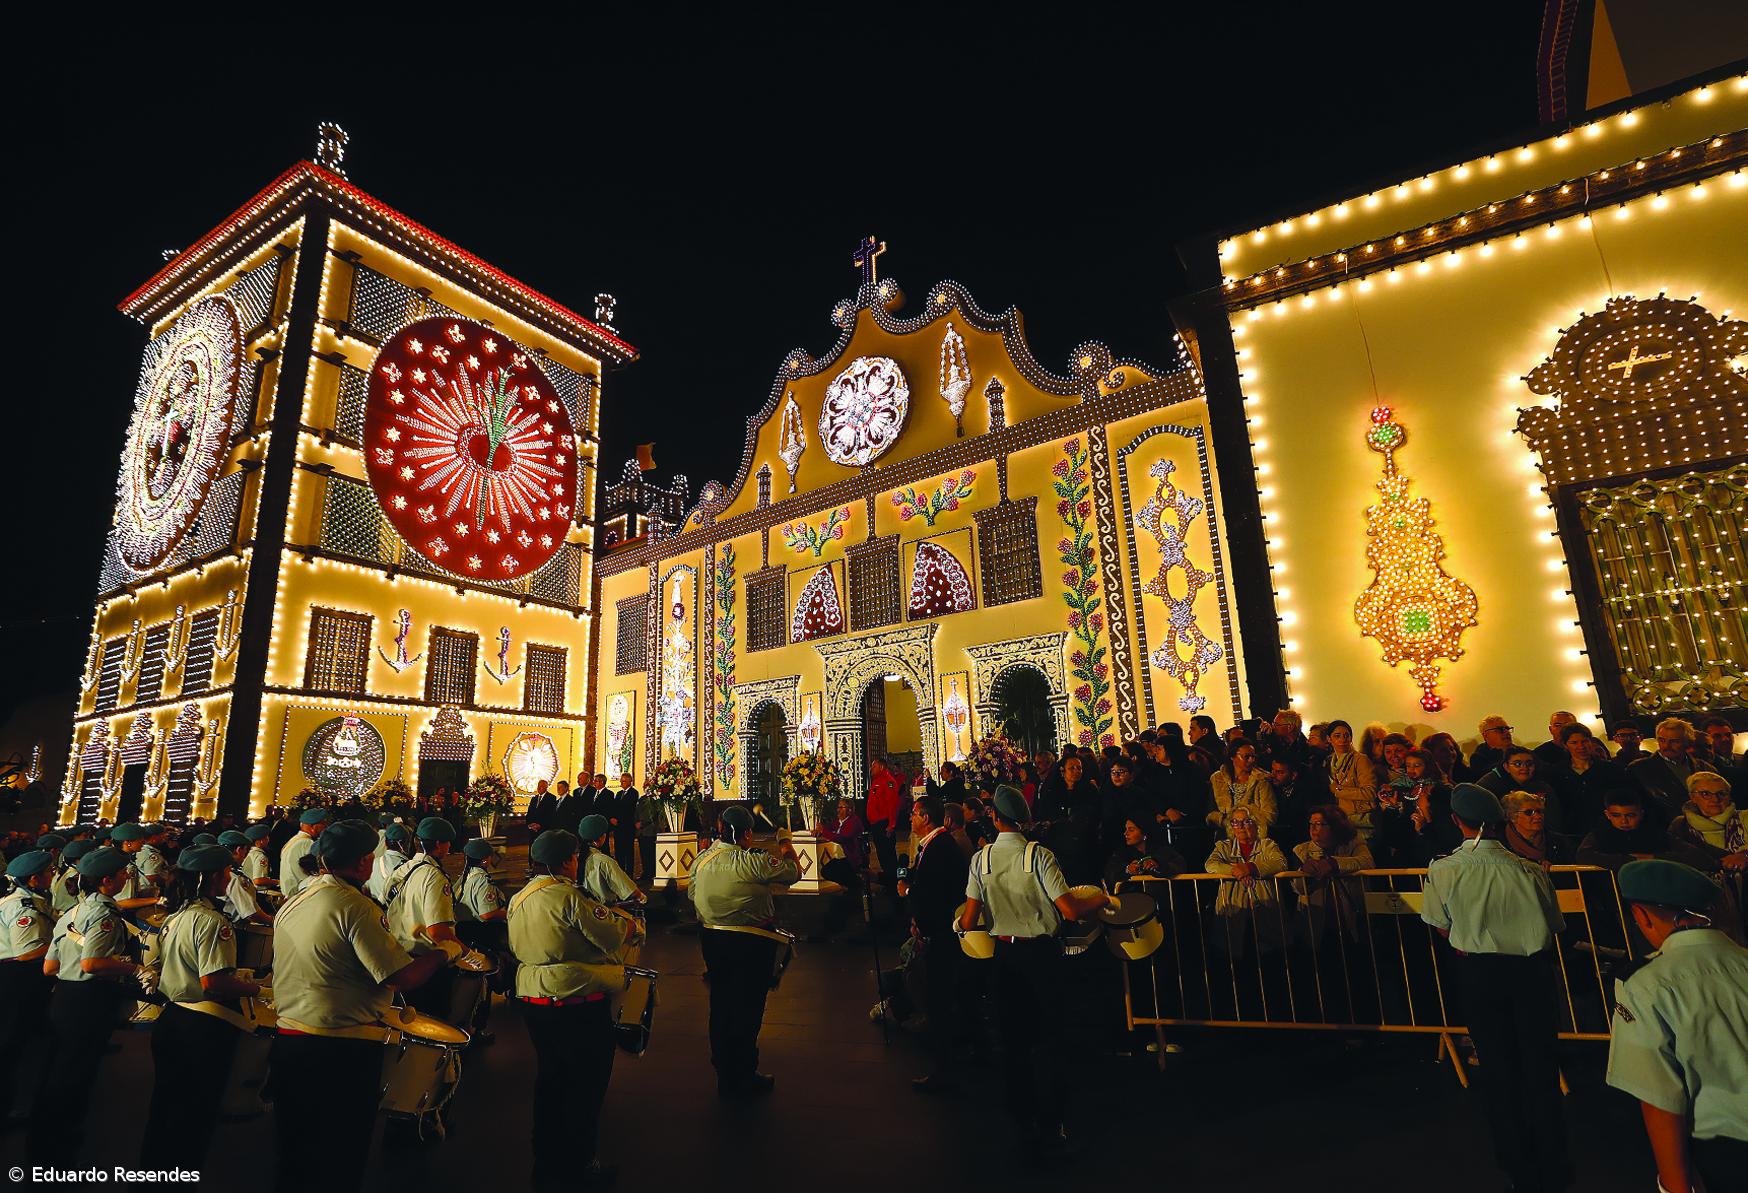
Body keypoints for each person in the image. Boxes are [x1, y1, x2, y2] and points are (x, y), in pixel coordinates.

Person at [269, 819, 450, 1193]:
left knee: (295, 1151)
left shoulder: (295, 901)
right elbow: (399, 977)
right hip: (339, 1049)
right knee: (339, 1154)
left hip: (289, 1041)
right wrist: (442, 954)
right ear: (364, 861)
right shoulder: (355, 907)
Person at [1420, 785, 1569, 1193]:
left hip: (1480, 971)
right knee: (1540, 1063)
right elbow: (1554, 923)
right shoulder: (1529, 869)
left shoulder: (1445, 869)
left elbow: (1439, 922)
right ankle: (1551, 1150)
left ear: (1456, 820)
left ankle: (1513, 1154)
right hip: (1532, 971)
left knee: (1498, 1064)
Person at [959, 786, 1107, 1159]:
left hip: (1005, 957)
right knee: (1052, 1039)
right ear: (1023, 819)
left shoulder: (981, 859)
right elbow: (1070, 910)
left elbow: (969, 918)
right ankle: (1054, 1120)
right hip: (1042, 955)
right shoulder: (1038, 855)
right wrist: (1103, 899)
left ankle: (1021, 1119)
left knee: (1014, 1043)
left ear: (994, 818)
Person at [509, 829, 642, 1193]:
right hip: (575, 1000)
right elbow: (613, 935)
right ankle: (580, 1161)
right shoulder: (568, 897)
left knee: (550, 1080)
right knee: (585, 1085)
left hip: (533, 999)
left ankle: (546, 1158)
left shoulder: (519, 897)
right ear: (568, 860)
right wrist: (628, 924)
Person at [1605, 859, 1748, 1193]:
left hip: (1727, 1152)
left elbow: (1659, 1097)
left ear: (1640, 915)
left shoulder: (1645, 984)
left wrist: (1676, 1186)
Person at [139, 843, 263, 1170]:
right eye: (225, 872)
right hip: (201, 1025)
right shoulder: (211, 921)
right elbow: (214, 983)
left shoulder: (175, 916)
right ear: (212, 877)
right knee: (193, 1114)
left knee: (165, 1110)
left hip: (172, 1018)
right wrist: (259, 989)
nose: (228, 878)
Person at [30, 846, 147, 1163]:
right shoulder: (105, 916)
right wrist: (134, 968)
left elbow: (49, 968)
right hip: (89, 1001)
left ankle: (42, 1150)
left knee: (57, 1074)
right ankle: (60, 1159)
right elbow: (93, 962)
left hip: (64, 997)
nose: (127, 878)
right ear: (107, 881)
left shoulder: (71, 914)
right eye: (123, 874)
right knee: (77, 1078)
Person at [689, 805, 799, 1098]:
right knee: (748, 1009)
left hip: (712, 942)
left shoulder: (701, 860)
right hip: (751, 944)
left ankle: (723, 1067)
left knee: (721, 1006)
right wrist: (785, 843)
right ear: (748, 834)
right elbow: (792, 872)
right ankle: (744, 1072)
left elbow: (691, 894)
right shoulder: (752, 861)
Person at [902, 795, 970, 1092]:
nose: (910, 820)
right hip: (935, 929)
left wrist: (907, 893)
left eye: (914, 815)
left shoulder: (940, 848)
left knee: (940, 1001)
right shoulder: (934, 845)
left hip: (942, 934)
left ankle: (945, 1069)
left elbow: (932, 893)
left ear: (925, 817)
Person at [0, 850, 56, 1128]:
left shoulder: (28, 900)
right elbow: (26, 952)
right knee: (12, 1043)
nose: (52, 876)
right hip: (17, 979)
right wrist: (62, 945)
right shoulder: (23, 907)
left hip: (18, 978)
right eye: (48, 872)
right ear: (33, 879)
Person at [386, 816, 462, 1017]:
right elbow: (438, 932)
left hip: (398, 958)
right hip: (426, 964)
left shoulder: (402, 870)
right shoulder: (434, 877)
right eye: (447, 842)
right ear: (439, 844)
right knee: (435, 1024)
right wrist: (469, 955)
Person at [1205, 808, 1288, 952]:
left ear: (1257, 824)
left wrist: (1251, 867)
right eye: (1235, 822)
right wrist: (1236, 871)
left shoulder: (1267, 845)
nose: (1240, 826)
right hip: (1233, 910)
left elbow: (1280, 862)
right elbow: (1211, 865)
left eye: (1246, 821)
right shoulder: (1224, 846)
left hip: (1265, 910)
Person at [1577, 791, 1713, 873]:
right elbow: (1583, 857)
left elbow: (1698, 857)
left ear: (1641, 814)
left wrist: (1655, 858)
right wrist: (1632, 860)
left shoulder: (1656, 834)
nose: (1624, 821)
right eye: (1617, 816)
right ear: (1607, 815)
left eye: (1630, 815)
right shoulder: (1600, 835)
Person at [1630, 718, 1718, 822]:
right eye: (1662, 740)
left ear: (1687, 742)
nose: (1667, 746)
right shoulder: (1639, 769)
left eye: (1674, 741)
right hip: (1663, 829)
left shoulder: (1706, 768)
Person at [1667, 770, 1747, 879]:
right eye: (1705, 794)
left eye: (1721, 793)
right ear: (1692, 797)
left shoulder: (1744, 817)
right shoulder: (1680, 825)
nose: (1715, 799)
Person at [1208, 738, 1277, 838]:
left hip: (1253, 836)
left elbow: (1270, 815)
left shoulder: (1261, 780)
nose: (1251, 760)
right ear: (1232, 756)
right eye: (1247, 757)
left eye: (1253, 756)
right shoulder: (1218, 780)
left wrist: (1245, 822)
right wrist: (1225, 821)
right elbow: (1211, 812)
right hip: (1225, 836)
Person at [1322, 720, 1378, 840]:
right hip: (1342, 818)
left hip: (1360, 817)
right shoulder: (1329, 761)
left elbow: (1370, 792)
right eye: (1337, 736)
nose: (1343, 739)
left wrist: (1338, 790)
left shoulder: (1360, 759)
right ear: (1329, 738)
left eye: (1346, 735)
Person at [578, 814, 645, 906]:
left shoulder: (574, 859)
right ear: (602, 837)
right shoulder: (604, 861)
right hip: (604, 913)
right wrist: (643, 898)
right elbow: (632, 892)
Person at [1500, 790, 1574, 867]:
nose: (1538, 816)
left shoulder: (1559, 843)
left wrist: (1553, 869)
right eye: (1529, 812)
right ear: (1513, 817)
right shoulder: (1500, 843)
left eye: (1539, 811)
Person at [217, 829, 271, 923]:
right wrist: (274, 921)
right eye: (245, 851)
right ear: (238, 850)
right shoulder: (234, 878)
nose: (245, 856)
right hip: (235, 928)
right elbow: (252, 914)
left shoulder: (214, 871)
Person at [278, 807, 330, 899]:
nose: (325, 827)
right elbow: (314, 870)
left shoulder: (294, 840)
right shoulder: (307, 843)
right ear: (313, 826)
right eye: (323, 824)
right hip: (299, 892)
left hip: (290, 891)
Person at [866, 756, 902, 882]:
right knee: (882, 854)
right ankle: (890, 881)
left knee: (888, 855)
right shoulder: (877, 781)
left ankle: (895, 882)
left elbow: (892, 805)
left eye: (874, 766)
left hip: (884, 824)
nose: (871, 769)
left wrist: (891, 824)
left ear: (881, 767)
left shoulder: (888, 781)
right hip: (876, 824)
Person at [368, 821, 416, 904]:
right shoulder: (410, 868)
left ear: (386, 843)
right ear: (406, 844)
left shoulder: (372, 864)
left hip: (377, 912)